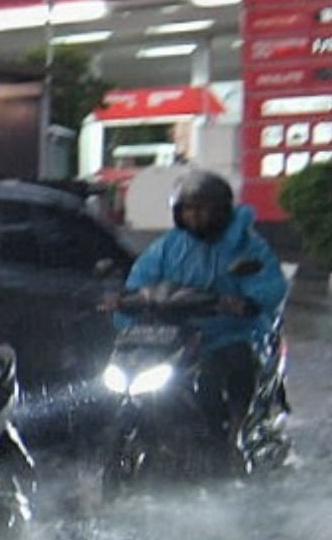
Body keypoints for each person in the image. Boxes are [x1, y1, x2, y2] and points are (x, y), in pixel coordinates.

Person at [114, 168, 288, 448]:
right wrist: (125, 302)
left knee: (218, 374)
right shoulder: (169, 246)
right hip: (181, 334)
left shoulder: (247, 246)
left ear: (220, 210)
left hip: (234, 332)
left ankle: (235, 433)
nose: (193, 216)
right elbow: (142, 278)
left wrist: (248, 303)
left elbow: (269, 284)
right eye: (187, 210)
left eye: (201, 209)